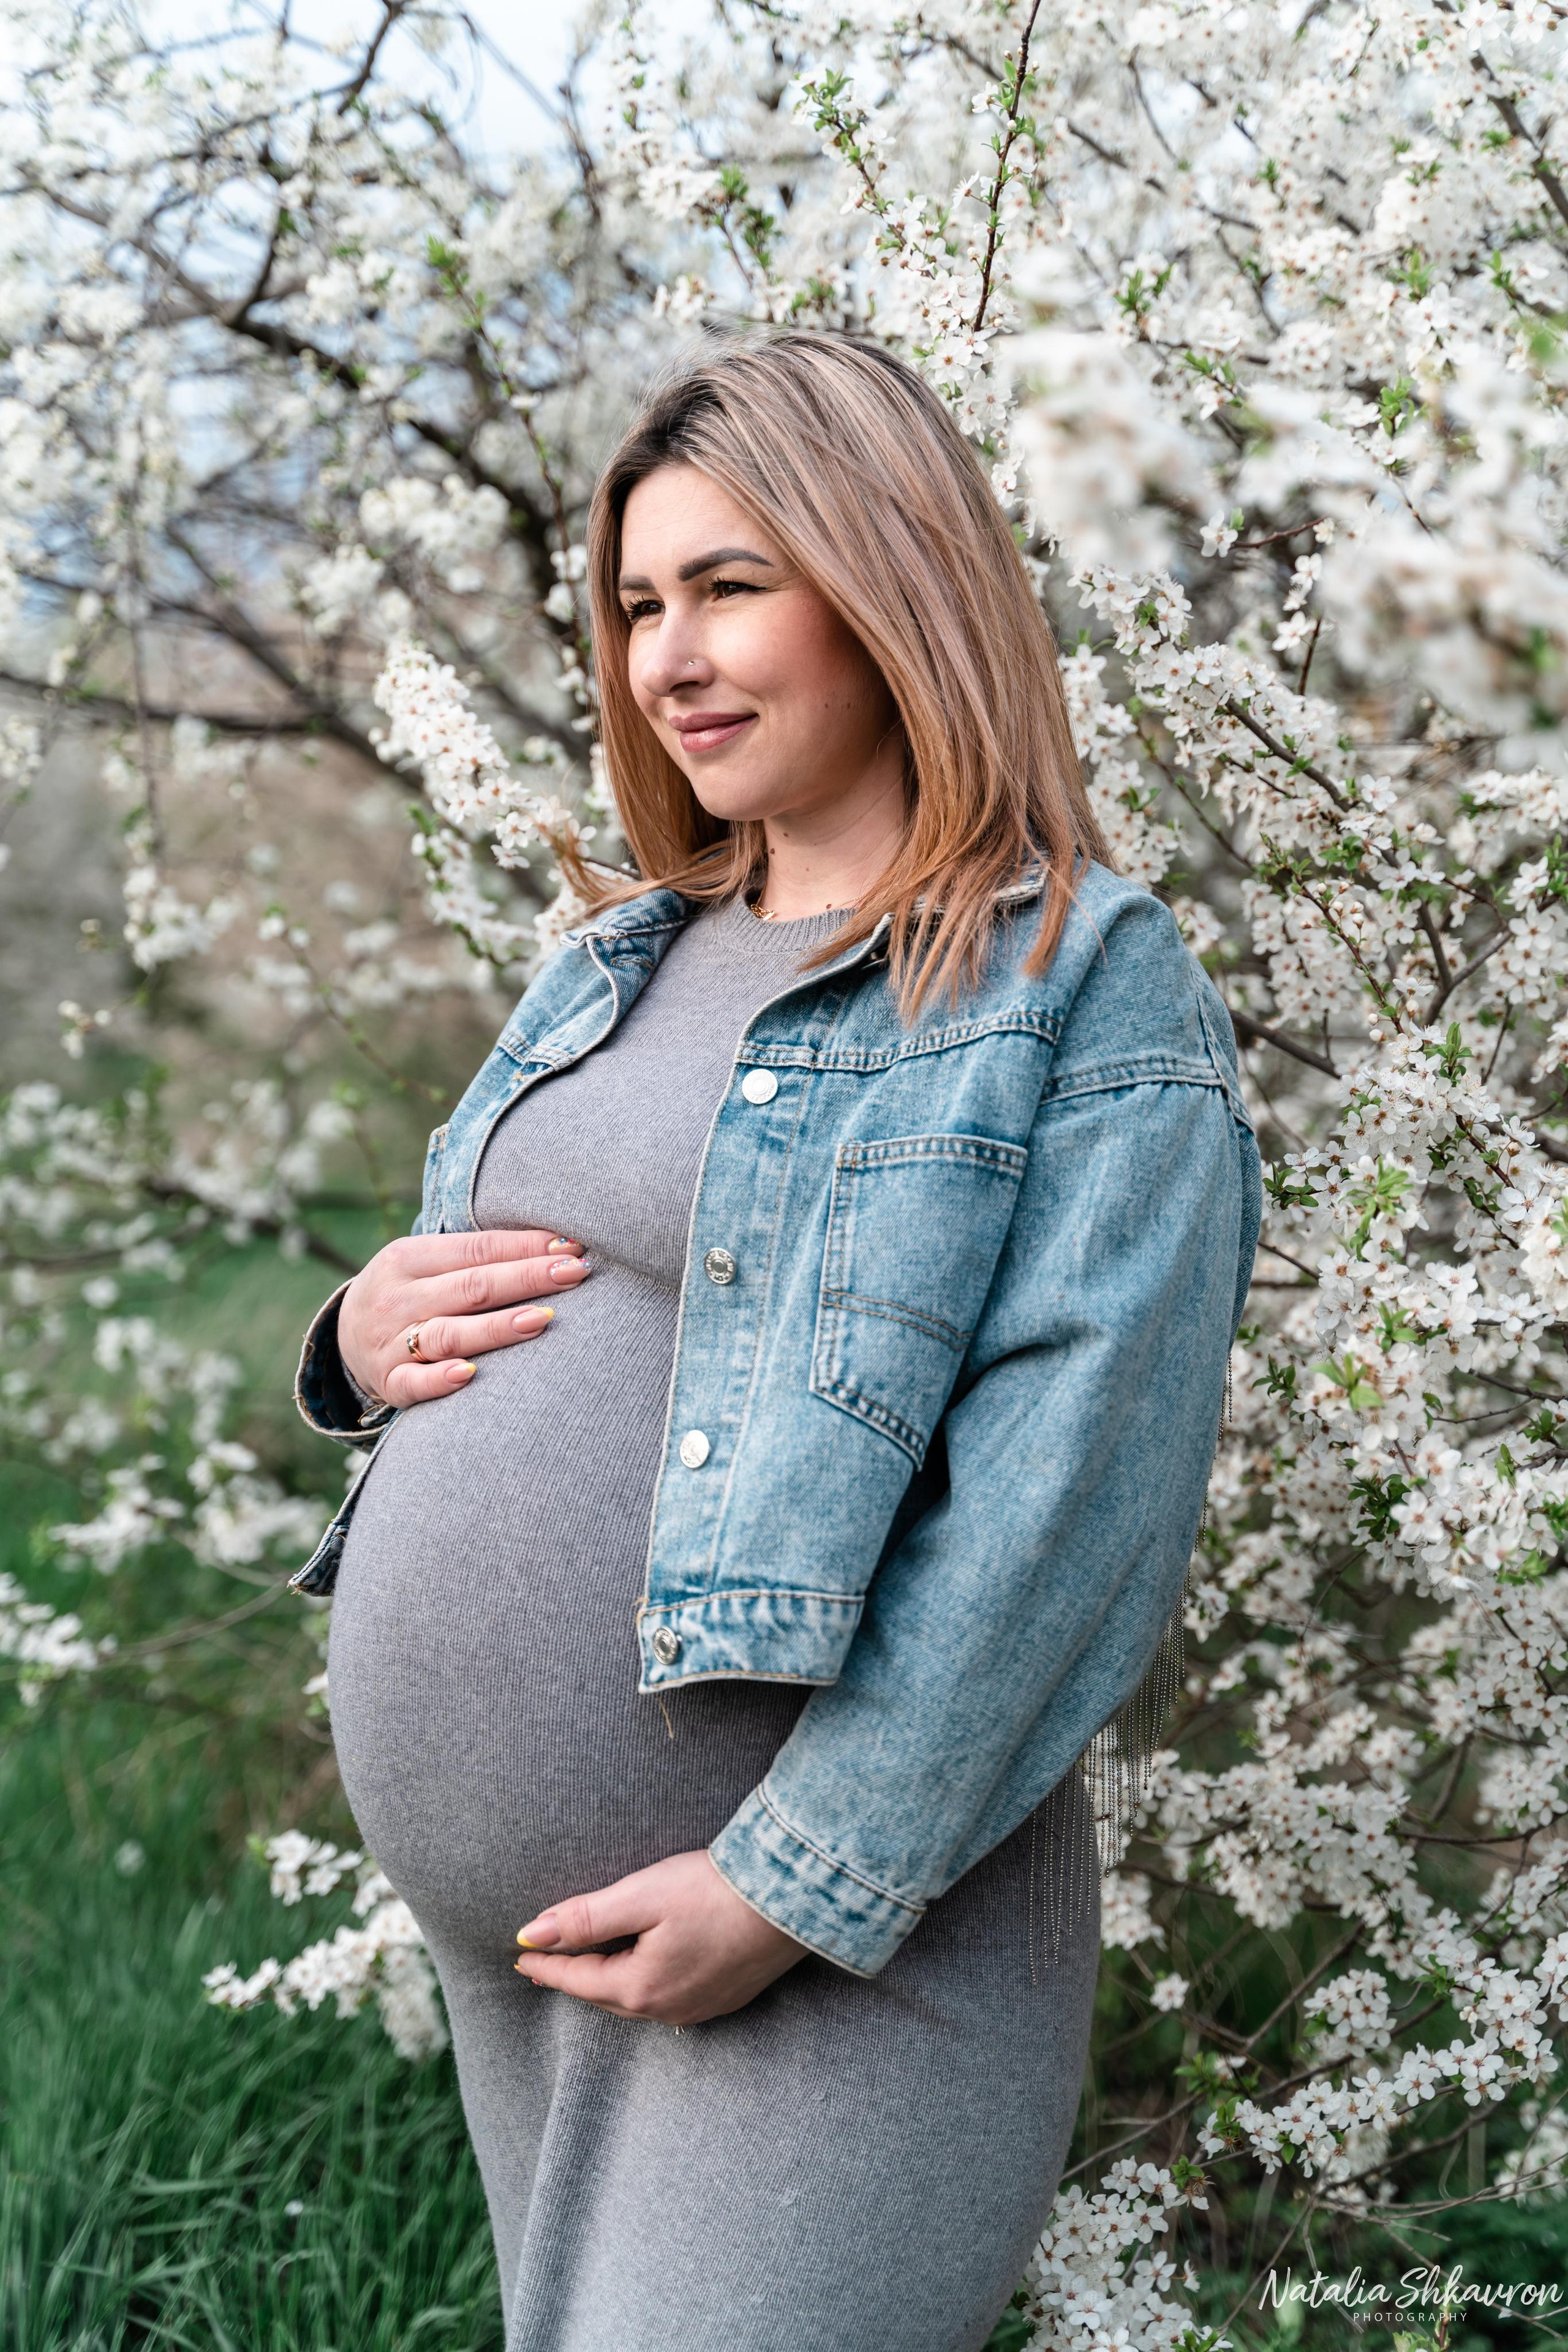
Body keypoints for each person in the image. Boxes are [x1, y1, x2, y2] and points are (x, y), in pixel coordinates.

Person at [290, 332, 1261, 2352]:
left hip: (832, 1941)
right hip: (537, 1949)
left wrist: (794, 1886)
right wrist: (357, 1331)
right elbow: (486, 1304)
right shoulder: (618, 958)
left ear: (891, 580)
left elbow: (1074, 1502)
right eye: (639, 605)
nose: (667, 657)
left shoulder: (1072, 978)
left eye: (730, 586)